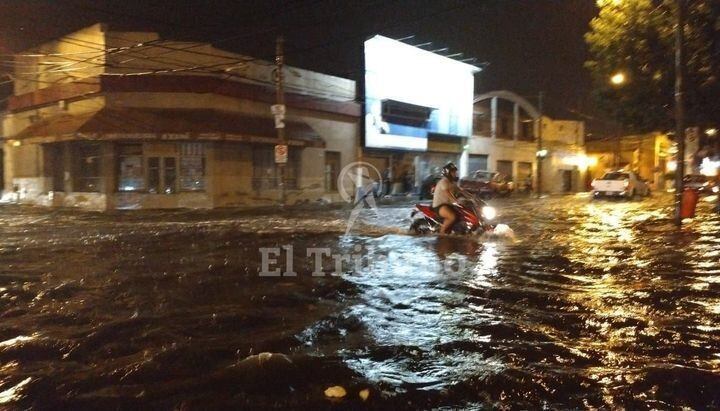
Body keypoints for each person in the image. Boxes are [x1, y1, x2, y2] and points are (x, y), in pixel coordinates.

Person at [432, 162, 460, 235]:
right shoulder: (444, 181)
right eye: (453, 172)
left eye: (455, 172)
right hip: (440, 205)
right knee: (452, 217)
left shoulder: (452, 183)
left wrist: (473, 197)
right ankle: (442, 233)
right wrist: (455, 201)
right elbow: (447, 193)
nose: (455, 173)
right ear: (448, 173)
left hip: (449, 205)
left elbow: (461, 191)